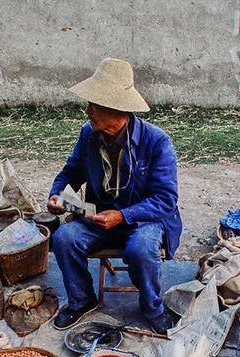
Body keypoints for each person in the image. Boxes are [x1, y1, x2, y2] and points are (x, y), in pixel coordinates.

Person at [46, 58, 182, 334]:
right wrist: (57, 195)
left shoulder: (157, 142)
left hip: (143, 220)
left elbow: (166, 199)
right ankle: (82, 301)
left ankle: (152, 308)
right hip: (100, 216)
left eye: (93, 105)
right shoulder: (89, 135)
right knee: (64, 238)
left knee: (142, 248)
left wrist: (122, 215)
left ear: (115, 108)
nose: (87, 111)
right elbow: (71, 173)